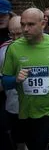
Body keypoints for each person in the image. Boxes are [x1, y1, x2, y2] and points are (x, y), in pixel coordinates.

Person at [1, 8, 49, 150]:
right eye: (23, 24)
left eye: (30, 25)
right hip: (26, 111)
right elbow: (5, 82)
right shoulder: (13, 48)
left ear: (43, 24)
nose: (25, 29)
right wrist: (16, 80)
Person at [0, 16, 25, 150]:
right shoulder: (4, 50)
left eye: (18, 34)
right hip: (14, 106)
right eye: (12, 34)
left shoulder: (43, 45)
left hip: (38, 106)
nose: (15, 38)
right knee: (18, 141)